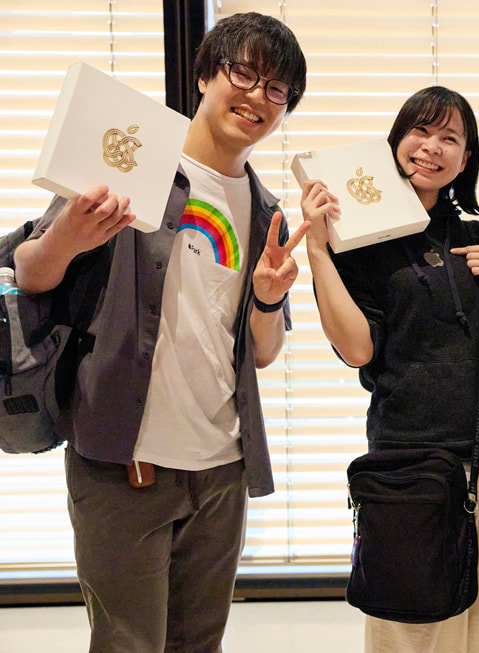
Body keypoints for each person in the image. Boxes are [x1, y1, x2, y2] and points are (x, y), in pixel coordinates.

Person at [13, 13, 308, 651]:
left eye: (277, 89)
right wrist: (68, 237)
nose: (257, 96)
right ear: (205, 75)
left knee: (200, 645)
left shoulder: (267, 213)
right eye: (244, 73)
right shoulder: (132, 162)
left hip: (221, 469)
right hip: (123, 462)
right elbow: (29, 272)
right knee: (127, 644)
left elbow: (263, 353)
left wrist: (267, 298)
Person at [300, 86, 479, 652]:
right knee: (414, 637)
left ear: (466, 159)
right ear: (396, 141)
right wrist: (318, 251)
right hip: (409, 466)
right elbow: (358, 350)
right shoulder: (355, 243)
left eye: (449, 138)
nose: (432, 147)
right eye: (421, 130)